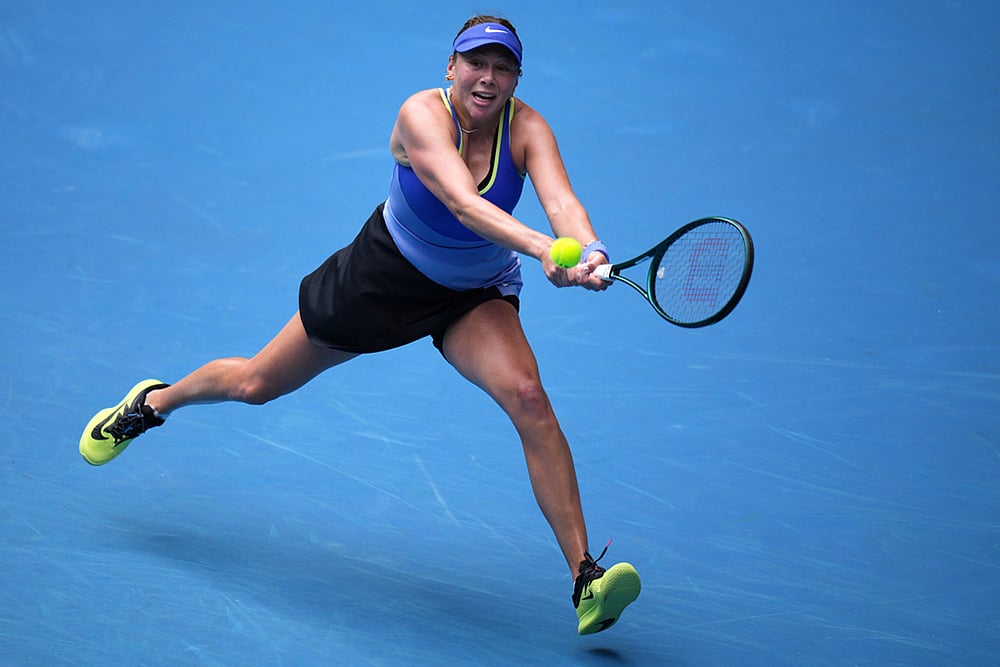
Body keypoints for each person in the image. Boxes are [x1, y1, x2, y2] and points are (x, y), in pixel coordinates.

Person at [79, 15, 641, 635]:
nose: (488, 77)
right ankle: (154, 402)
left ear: (515, 77)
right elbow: (462, 201)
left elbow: (561, 201)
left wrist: (585, 247)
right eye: (475, 63)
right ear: (451, 68)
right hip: (382, 276)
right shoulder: (419, 115)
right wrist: (543, 249)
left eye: (502, 66)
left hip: (473, 293)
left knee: (529, 397)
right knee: (255, 384)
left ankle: (584, 577)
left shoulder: (528, 127)